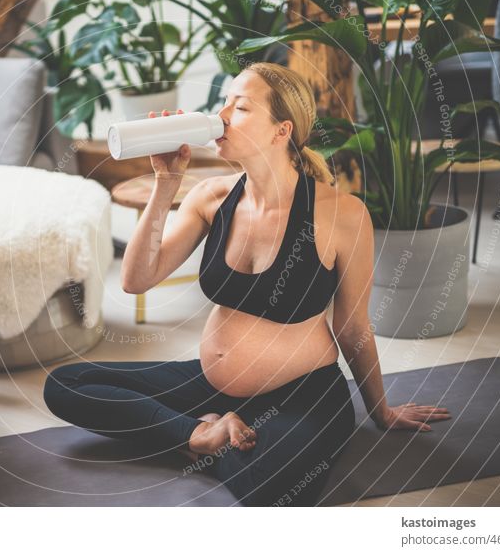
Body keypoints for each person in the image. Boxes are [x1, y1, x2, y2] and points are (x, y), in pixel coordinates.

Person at [43, 62, 451, 506]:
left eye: (239, 108)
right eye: (223, 104)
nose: (220, 116)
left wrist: (381, 411)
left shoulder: (342, 215)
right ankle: (203, 433)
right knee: (66, 384)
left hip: (302, 393)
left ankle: (198, 435)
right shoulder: (211, 197)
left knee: (270, 491)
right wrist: (166, 184)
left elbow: (353, 328)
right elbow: (136, 279)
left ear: (281, 131)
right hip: (209, 385)